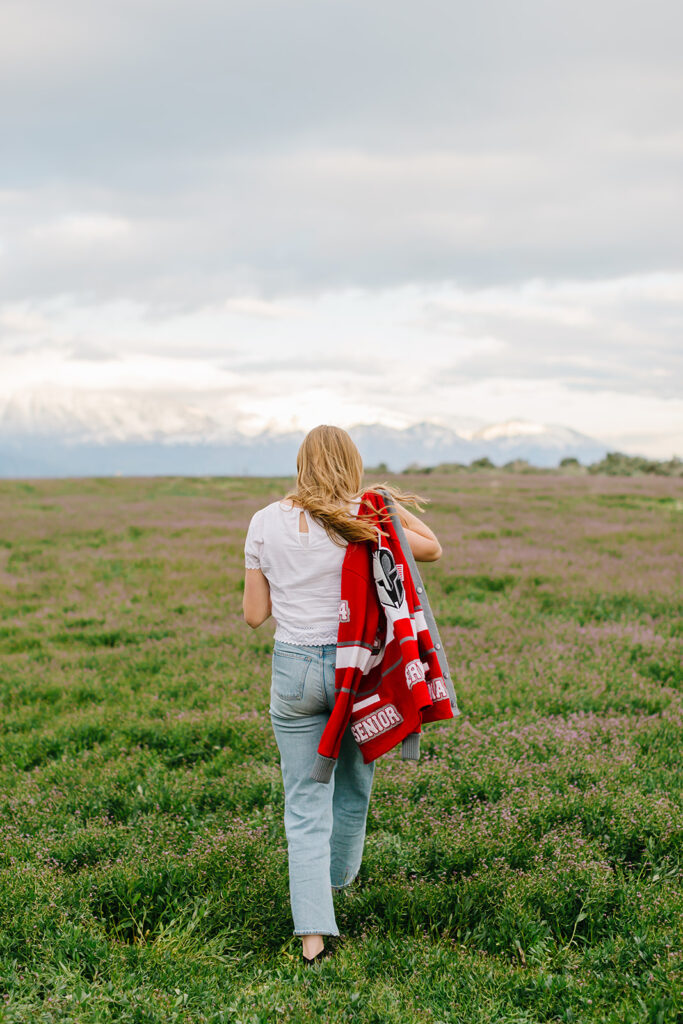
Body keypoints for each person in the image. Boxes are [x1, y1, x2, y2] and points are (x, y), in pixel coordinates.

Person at [242, 425, 442, 963]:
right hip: (358, 670)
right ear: (352, 464)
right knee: (353, 783)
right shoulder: (368, 516)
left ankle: (313, 938)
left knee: (304, 805)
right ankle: (332, 886)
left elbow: (254, 615)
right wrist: (385, 504)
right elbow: (434, 549)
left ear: (300, 464)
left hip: (295, 672)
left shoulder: (264, 521)